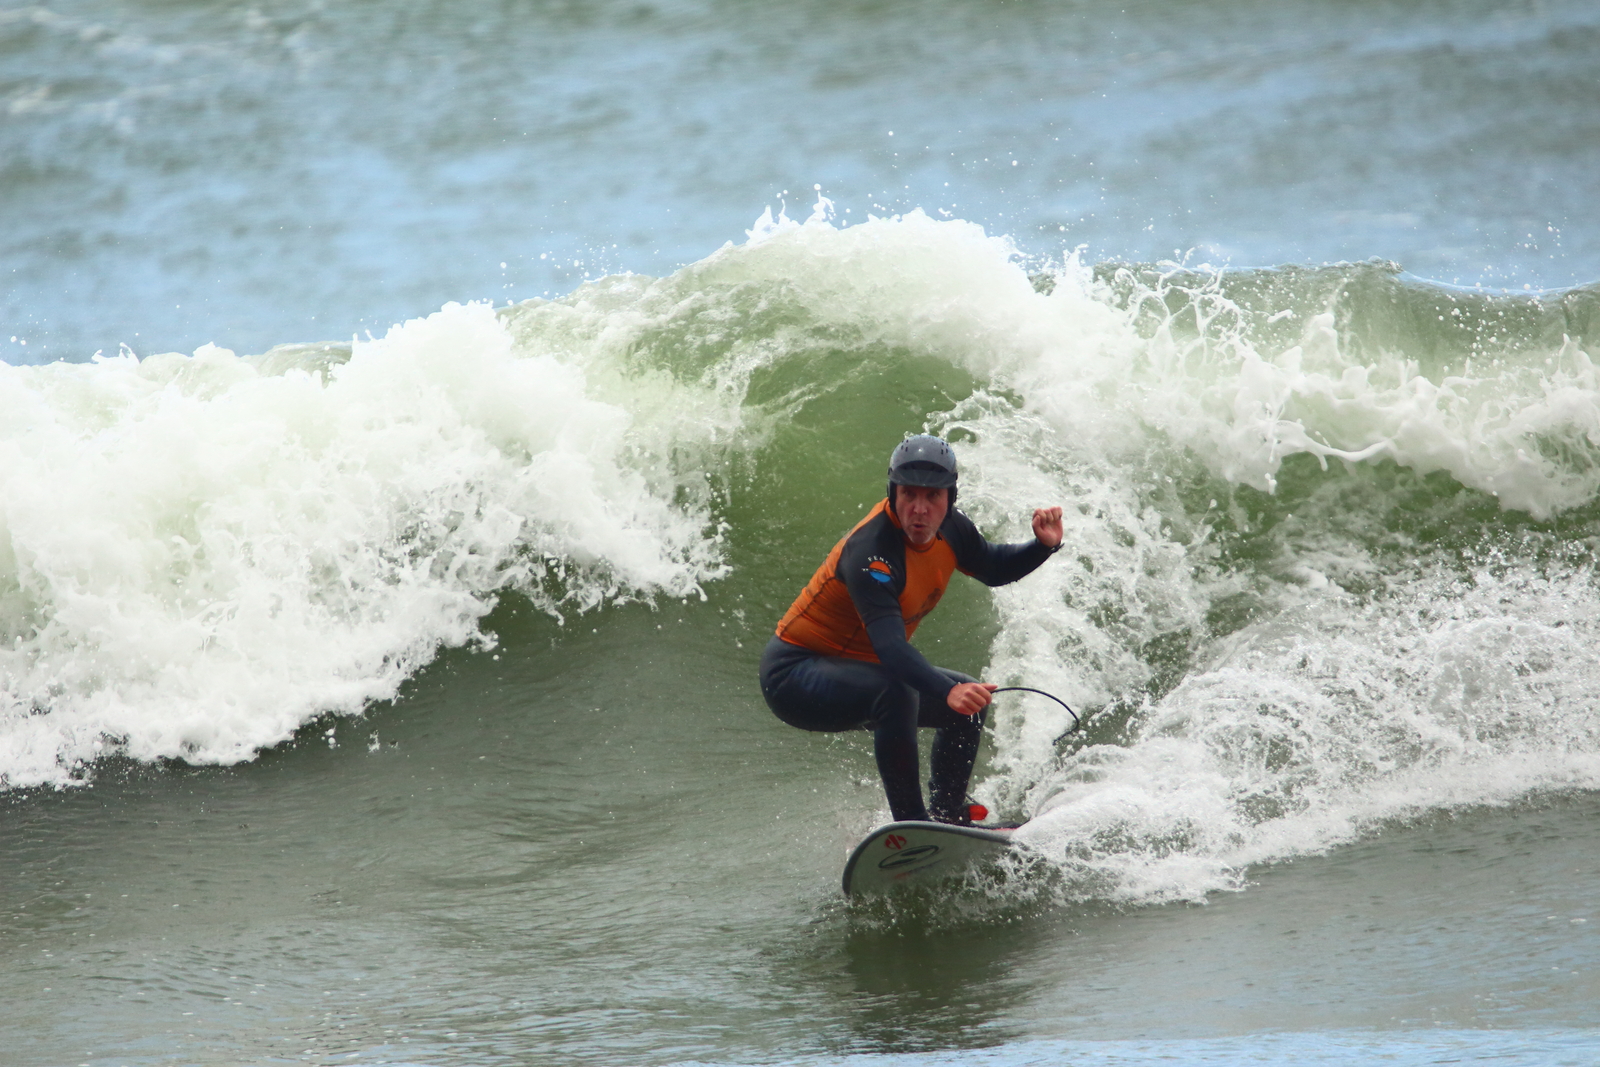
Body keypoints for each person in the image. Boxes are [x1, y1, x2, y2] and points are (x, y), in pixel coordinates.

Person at [759, 434, 1063, 825]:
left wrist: (1041, 546)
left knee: (969, 705)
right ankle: (912, 825)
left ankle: (948, 813)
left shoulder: (951, 529)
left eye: (932, 497)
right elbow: (891, 649)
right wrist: (945, 689)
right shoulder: (873, 552)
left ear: (950, 498)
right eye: (908, 495)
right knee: (898, 690)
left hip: (860, 670)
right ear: (892, 493)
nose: (919, 509)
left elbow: (992, 566)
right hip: (795, 675)